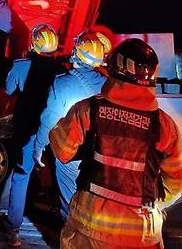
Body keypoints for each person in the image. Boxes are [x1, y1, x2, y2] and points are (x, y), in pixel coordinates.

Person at [50, 38, 182, 248]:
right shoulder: (164, 125)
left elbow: (62, 151)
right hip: (142, 234)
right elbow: (177, 178)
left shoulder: (88, 110)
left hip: (91, 228)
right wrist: (151, 202)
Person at [0, 24, 65, 248]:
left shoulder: (21, 66)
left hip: (26, 130)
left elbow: (7, 90)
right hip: (54, 133)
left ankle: (12, 229)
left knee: (21, 175)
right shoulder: (62, 71)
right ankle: (66, 228)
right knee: (60, 177)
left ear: (33, 44)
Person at [33, 30, 111, 221]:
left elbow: (49, 121)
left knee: (71, 203)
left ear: (77, 52)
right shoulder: (108, 85)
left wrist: (38, 149)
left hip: (73, 154)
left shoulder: (62, 84)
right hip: (103, 153)